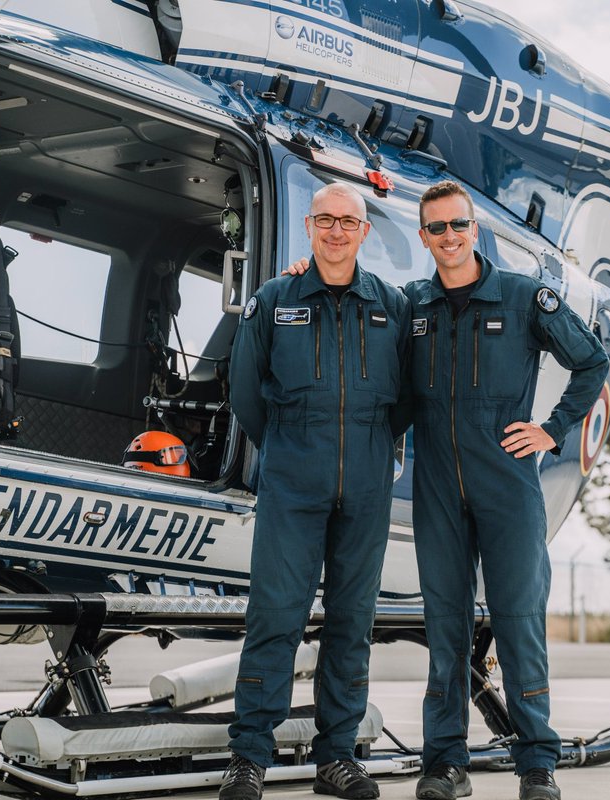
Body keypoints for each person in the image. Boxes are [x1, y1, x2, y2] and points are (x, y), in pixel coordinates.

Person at [406, 181, 608, 800]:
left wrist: (550, 430)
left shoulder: (524, 297)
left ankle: (536, 763)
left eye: (458, 225)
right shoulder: (412, 305)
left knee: (519, 622)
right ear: (424, 236)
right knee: (446, 628)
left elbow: (591, 360)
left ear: (475, 228)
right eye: (436, 228)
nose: (449, 237)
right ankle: (444, 764)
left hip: (509, 486)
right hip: (437, 485)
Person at [223, 182, 411, 800]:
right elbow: (246, 392)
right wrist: (287, 447)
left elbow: (407, 396)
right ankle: (249, 756)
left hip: (365, 485)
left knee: (352, 622)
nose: (336, 231)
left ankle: (337, 756)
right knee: (275, 616)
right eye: (324, 220)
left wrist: (375, 445)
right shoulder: (274, 301)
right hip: (292, 480)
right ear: (308, 226)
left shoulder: (392, 306)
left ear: (363, 233)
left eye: (348, 222)